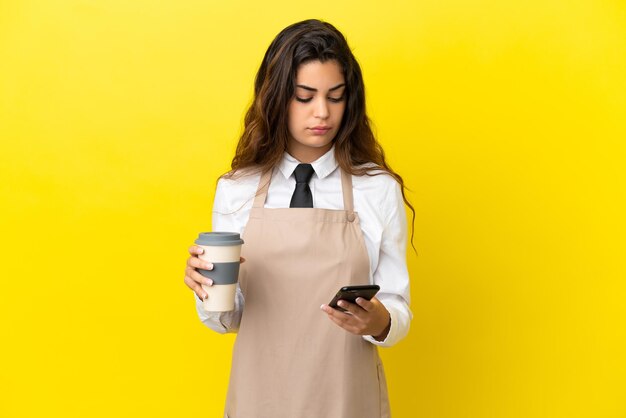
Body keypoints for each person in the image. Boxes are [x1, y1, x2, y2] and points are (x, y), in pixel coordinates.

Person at [184, 19, 413, 418]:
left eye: (335, 97)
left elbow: (397, 309)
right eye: (304, 97)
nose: (322, 113)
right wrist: (206, 291)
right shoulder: (236, 189)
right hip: (260, 399)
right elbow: (228, 319)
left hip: (347, 400)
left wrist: (378, 321)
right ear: (276, 99)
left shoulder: (376, 189)